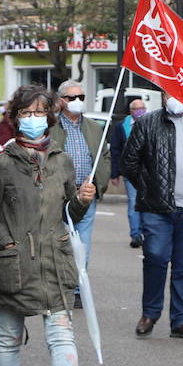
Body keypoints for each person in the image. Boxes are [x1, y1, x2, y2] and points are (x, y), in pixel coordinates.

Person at [0, 83, 98, 366]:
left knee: (61, 336)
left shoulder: (62, 160)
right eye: (27, 113)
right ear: (16, 118)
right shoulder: (3, 163)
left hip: (54, 263)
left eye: (40, 112)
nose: (34, 119)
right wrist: (6, 245)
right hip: (13, 264)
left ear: (50, 116)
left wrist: (83, 199)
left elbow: (69, 212)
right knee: (8, 338)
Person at [121, 92, 183, 339]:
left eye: (181, 90)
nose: (176, 96)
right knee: (156, 257)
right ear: (163, 95)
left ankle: (181, 319)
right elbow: (129, 162)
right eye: (170, 91)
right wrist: (149, 188)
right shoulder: (147, 122)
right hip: (158, 207)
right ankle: (150, 312)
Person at [49, 81, 110, 308]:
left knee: (81, 244)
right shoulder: (51, 126)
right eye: (72, 98)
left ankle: (76, 289)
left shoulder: (94, 127)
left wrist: (98, 182)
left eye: (81, 97)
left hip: (85, 194)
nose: (78, 102)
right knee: (56, 241)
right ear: (61, 100)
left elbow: (104, 155)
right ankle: (56, 285)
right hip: (57, 194)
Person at [110, 95, 148, 248]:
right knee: (133, 202)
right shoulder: (121, 126)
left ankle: (147, 232)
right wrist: (115, 173)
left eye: (142, 108)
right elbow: (115, 150)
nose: (140, 111)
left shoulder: (151, 123)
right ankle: (135, 234)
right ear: (131, 111)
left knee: (147, 203)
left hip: (149, 172)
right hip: (131, 172)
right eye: (137, 109)